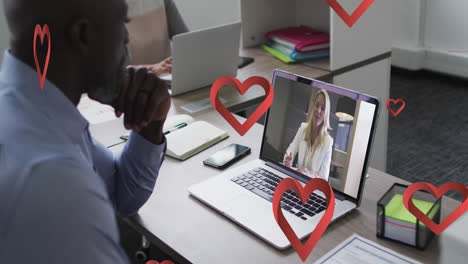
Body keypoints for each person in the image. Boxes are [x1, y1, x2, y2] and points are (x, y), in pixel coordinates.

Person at [0, 0, 171, 263]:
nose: (127, 38)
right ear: (82, 35)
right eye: (123, 23)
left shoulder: (35, 108)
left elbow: (119, 196)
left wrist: (151, 123)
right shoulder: (53, 183)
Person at [283, 89, 333, 181]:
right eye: (317, 105)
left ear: (326, 113)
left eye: (323, 108)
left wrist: (306, 174)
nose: (318, 110)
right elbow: (290, 151)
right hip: (296, 181)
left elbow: (324, 179)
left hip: (311, 189)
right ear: (313, 106)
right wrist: (287, 161)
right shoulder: (303, 128)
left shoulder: (328, 141)